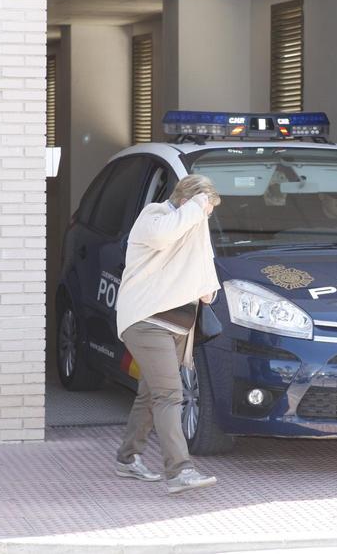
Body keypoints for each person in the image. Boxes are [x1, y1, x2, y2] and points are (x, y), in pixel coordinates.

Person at [112, 174, 222, 495]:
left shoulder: (192, 229)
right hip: (147, 321)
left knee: (151, 394)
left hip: (177, 326)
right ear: (188, 202)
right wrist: (197, 207)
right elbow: (162, 237)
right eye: (206, 207)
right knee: (170, 394)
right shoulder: (154, 215)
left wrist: (206, 289)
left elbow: (206, 285)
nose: (208, 215)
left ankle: (127, 457)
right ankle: (179, 470)